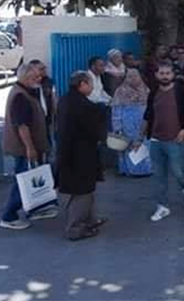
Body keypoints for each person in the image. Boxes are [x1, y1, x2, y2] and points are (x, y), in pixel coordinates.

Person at [0, 63, 59, 230]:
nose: (39, 79)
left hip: (30, 146)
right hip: (23, 148)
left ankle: (36, 209)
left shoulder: (25, 92)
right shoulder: (21, 96)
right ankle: (9, 216)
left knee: (32, 178)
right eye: (35, 77)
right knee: (23, 182)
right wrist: (30, 148)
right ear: (25, 78)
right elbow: (22, 126)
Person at [141, 63, 184, 222]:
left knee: (178, 171)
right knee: (159, 176)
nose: (165, 76)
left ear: (173, 75)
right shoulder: (153, 93)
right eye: (162, 73)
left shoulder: (181, 92)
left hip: (175, 140)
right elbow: (147, 115)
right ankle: (162, 206)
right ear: (157, 75)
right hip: (155, 140)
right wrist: (140, 138)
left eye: (167, 73)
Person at [55, 71, 108, 241]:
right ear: (83, 84)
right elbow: (93, 130)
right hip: (80, 155)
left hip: (68, 152)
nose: (92, 87)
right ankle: (75, 228)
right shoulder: (83, 105)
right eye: (90, 83)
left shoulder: (65, 100)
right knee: (82, 192)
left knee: (84, 191)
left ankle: (89, 220)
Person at [111, 69, 152, 177]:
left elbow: (151, 106)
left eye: (136, 76)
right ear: (126, 78)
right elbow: (116, 109)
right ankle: (130, 170)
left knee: (144, 143)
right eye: (130, 77)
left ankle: (144, 169)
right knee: (129, 144)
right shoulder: (120, 91)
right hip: (127, 122)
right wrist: (117, 126)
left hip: (143, 121)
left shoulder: (145, 89)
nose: (133, 79)